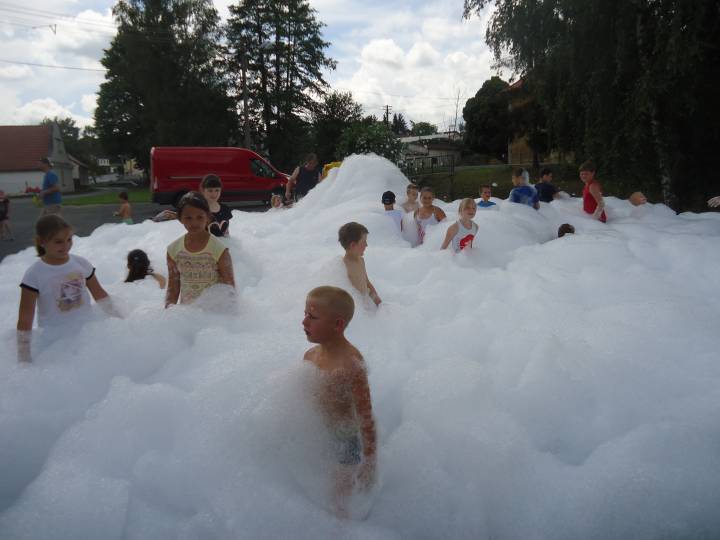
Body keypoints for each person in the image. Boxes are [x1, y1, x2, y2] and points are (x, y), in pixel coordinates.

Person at [302, 286, 377, 517]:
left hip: (345, 437)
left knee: (339, 496)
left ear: (338, 325)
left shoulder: (351, 364)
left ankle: (341, 523)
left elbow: (365, 414)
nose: (304, 322)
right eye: (305, 314)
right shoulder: (310, 356)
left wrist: (370, 460)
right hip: (318, 431)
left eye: (312, 317)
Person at [16, 215, 117, 362]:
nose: (66, 246)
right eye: (58, 242)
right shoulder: (34, 274)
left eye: (69, 239)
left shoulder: (81, 264)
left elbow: (100, 294)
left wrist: (119, 320)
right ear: (41, 241)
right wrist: (24, 357)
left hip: (88, 332)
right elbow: (25, 317)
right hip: (55, 342)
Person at [165, 192, 235, 307]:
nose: (194, 223)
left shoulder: (219, 250)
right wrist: (168, 314)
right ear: (180, 219)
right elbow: (173, 288)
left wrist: (231, 314)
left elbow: (230, 289)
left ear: (208, 217)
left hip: (214, 313)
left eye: (200, 217)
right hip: (187, 313)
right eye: (188, 218)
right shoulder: (173, 250)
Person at [338, 222, 381, 306]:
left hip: (365, 308)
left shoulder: (361, 261)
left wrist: (379, 303)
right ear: (353, 245)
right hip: (355, 308)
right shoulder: (343, 267)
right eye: (364, 241)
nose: (366, 245)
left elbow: (367, 284)